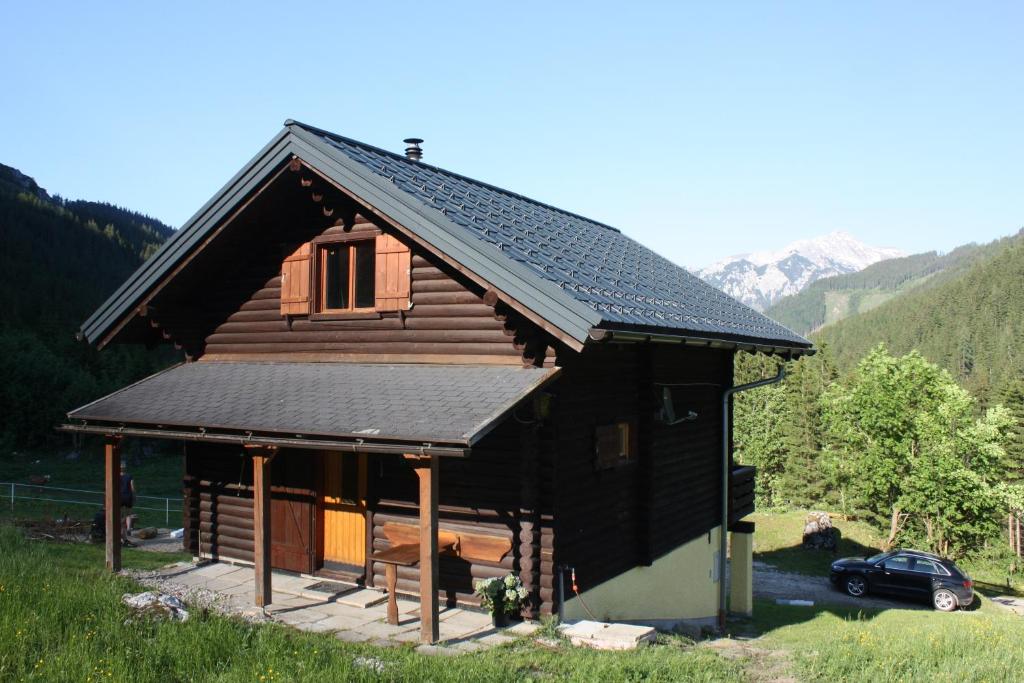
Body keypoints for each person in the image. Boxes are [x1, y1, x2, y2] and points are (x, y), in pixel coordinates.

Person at [120, 461, 137, 547]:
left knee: (120, 516)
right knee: (128, 514)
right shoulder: (129, 476)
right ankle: (129, 528)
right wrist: (134, 496)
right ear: (125, 468)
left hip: (119, 497)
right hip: (128, 497)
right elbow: (132, 488)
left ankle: (121, 534)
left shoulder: (116, 476)